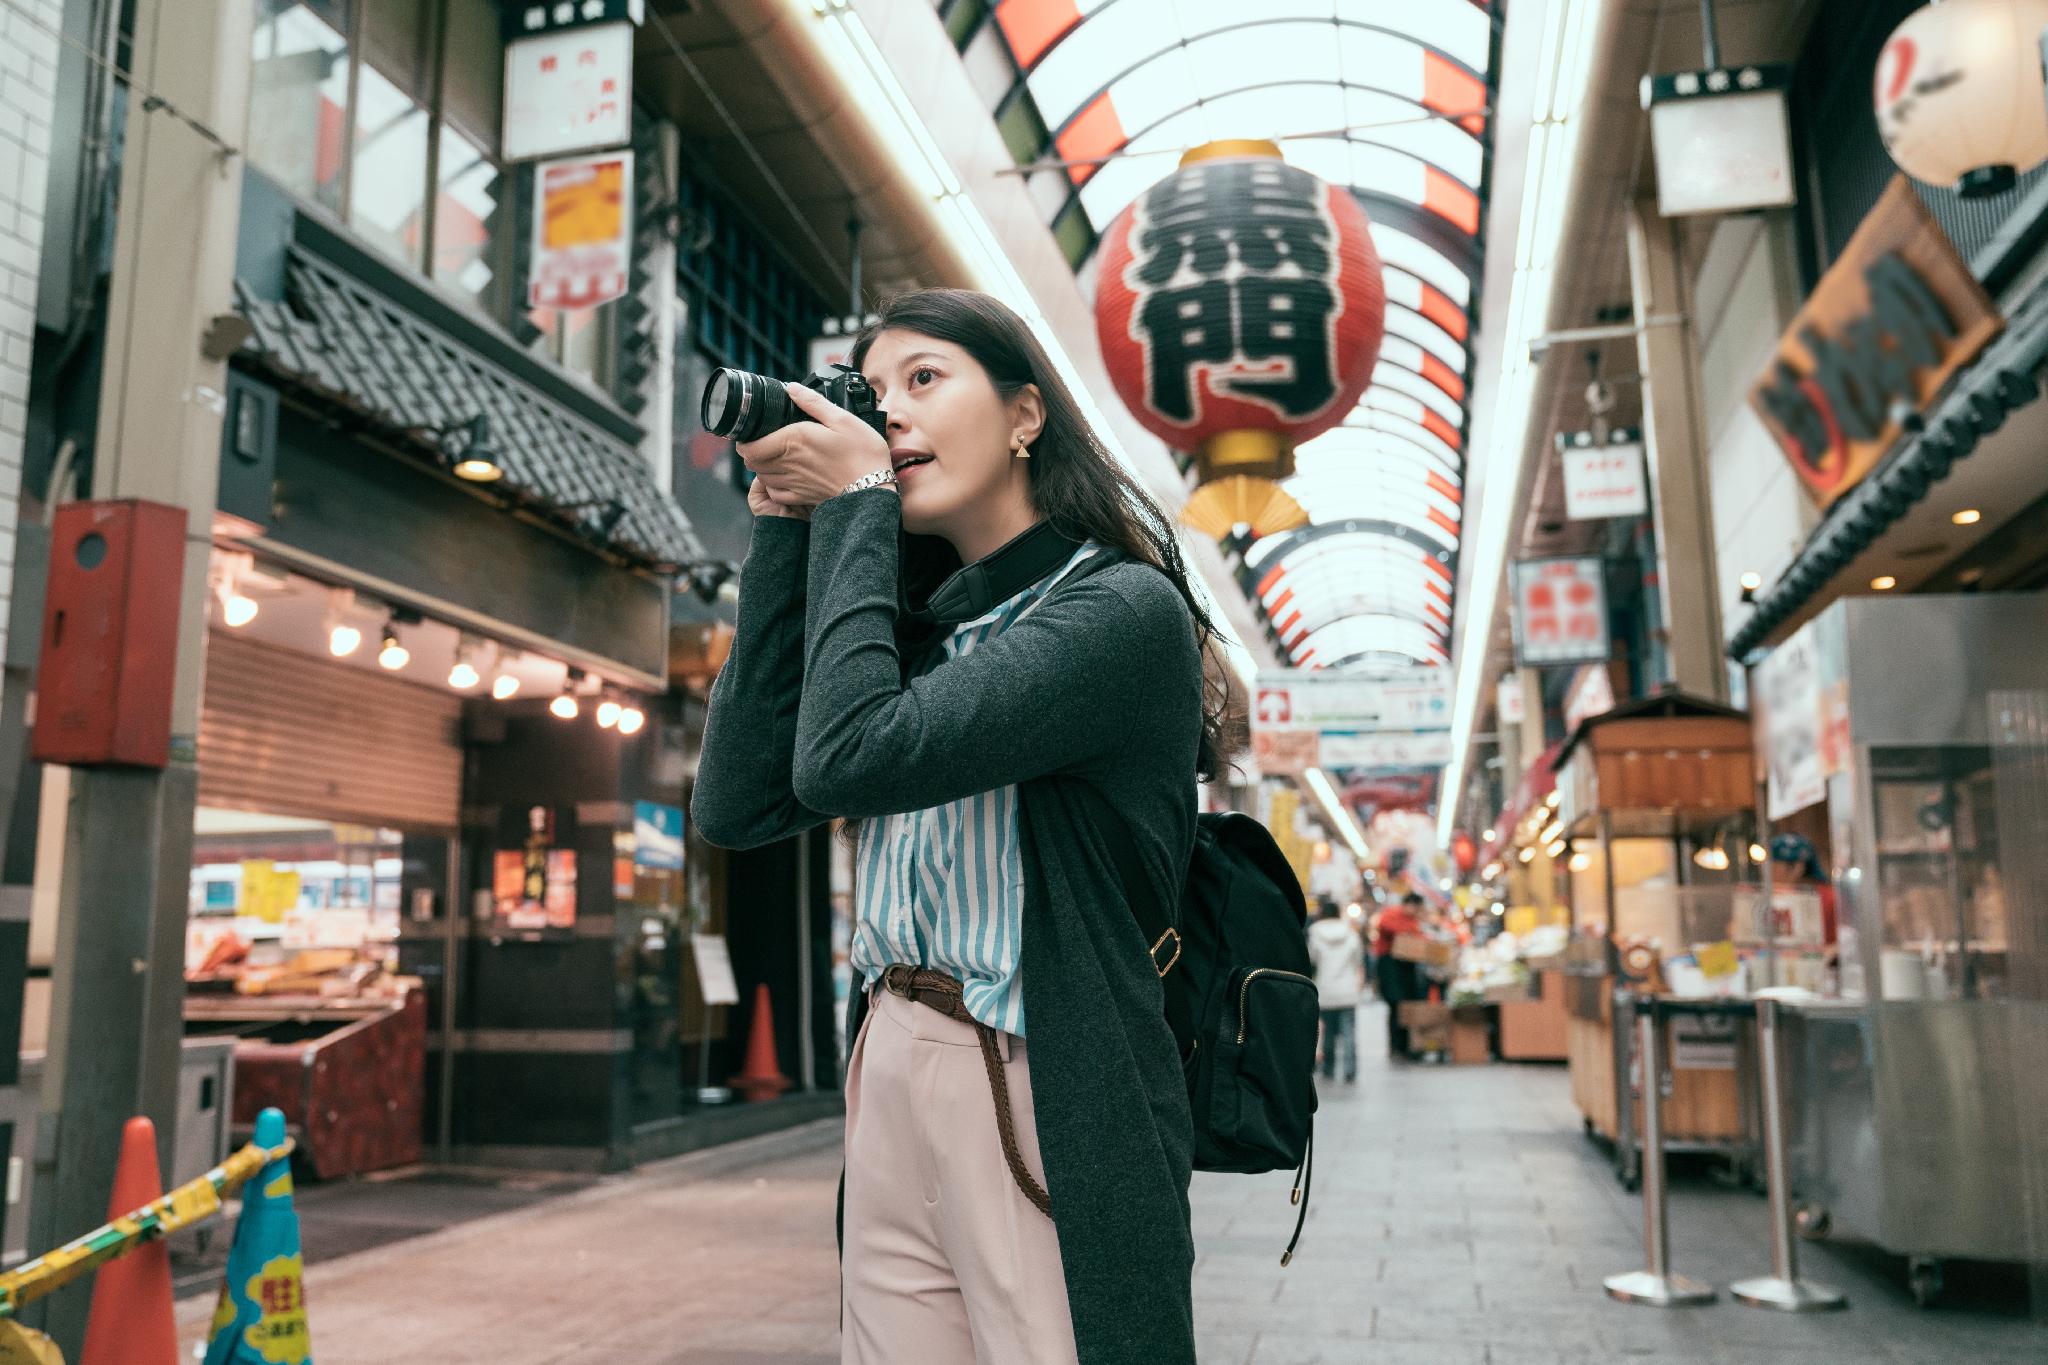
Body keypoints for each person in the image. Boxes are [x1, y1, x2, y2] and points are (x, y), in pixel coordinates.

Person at [690, 288, 1235, 1365]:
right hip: (887, 1052)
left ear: (1026, 415)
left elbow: (853, 756)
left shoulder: (1118, 612)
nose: (889, 411)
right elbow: (737, 800)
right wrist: (787, 530)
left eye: (924, 379)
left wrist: (856, 501)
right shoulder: (921, 627)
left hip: (1036, 1072)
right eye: (870, 392)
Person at [1307, 898, 1365, 1082]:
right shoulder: (1350, 932)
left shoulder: (1315, 932)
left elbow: (1312, 958)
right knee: (1349, 1031)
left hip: (1325, 988)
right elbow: (1358, 959)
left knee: (1328, 1032)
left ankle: (1329, 1068)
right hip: (1347, 989)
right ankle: (1350, 1069)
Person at [1372, 893, 1426, 1058]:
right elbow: (1385, 926)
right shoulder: (1392, 914)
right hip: (1390, 965)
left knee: (1408, 1004)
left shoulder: (1414, 920)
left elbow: (1420, 936)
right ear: (1409, 904)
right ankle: (1397, 1047)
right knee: (1395, 1005)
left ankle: (1408, 1045)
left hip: (1407, 966)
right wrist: (1406, 931)